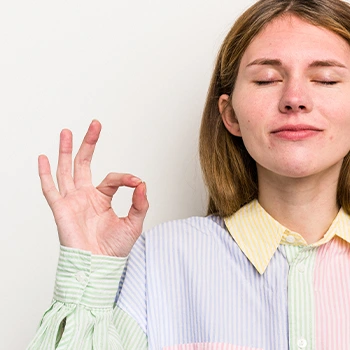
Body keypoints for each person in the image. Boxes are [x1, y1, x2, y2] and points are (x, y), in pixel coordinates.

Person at [28, 0, 350, 349]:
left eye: (326, 79)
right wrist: (87, 274)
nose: (295, 99)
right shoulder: (159, 259)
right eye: (267, 79)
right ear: (230, 115)